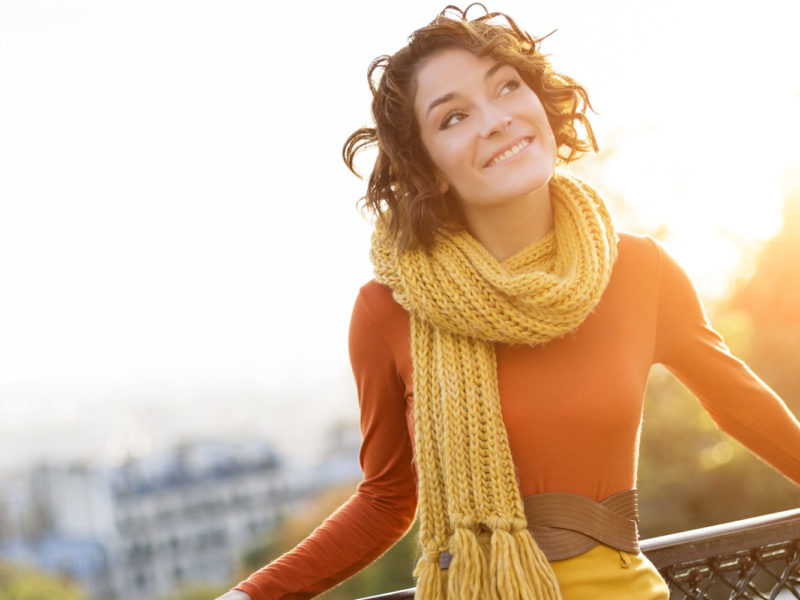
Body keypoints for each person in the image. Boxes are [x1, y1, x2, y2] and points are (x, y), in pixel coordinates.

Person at [216, 5, 800, 599]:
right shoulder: (386, 310)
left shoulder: (640, 271)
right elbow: (386, 501)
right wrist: (249, 596)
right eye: (454, 117)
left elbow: (745, 410)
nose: (496, 120)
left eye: (507, 86)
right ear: (430, 170)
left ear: (539, 104)